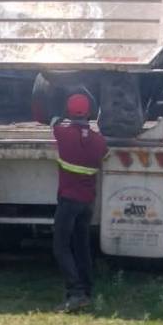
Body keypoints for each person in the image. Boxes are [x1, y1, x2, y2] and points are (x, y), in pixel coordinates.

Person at [51, 93, 108, 313]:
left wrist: (57, 115)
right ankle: (86, 288)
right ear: (90, 113)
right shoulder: (99, 141)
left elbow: (54, 121)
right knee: (81, 245)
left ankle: (75, 293)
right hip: (87, 202)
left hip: (68, 200)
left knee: (61, 246)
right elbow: (103, 152)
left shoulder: (63, 134)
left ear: (68, 111)